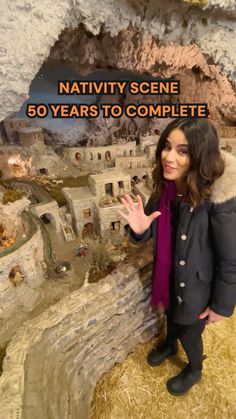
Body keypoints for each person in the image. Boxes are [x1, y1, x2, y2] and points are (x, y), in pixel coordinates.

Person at [117, 118, 236, 396]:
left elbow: (231, 258)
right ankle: (170, 344)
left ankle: (194, 368)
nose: (169, 157)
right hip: (169, 275)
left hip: (197, 285)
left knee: (190, 333)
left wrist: (221, 306)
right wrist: (138, 231)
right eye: (167, 147)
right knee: (172, 315)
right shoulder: (165, 186)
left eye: (182, 151)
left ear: (200, 155)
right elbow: (148, 226)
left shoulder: (217, 201)